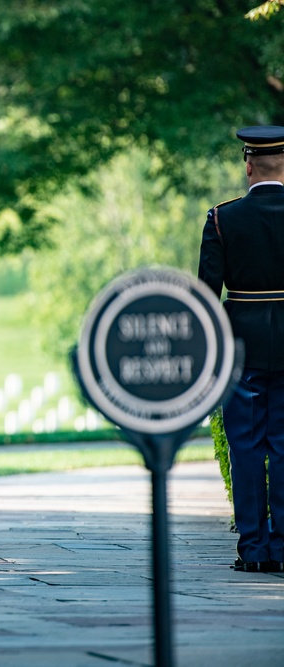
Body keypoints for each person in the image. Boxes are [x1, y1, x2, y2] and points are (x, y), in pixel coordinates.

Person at [198, 125, 284, 573]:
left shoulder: (221, 218)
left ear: (248, 165)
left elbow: (206, 297)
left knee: (246, 446)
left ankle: (253, 549)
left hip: (241, 346)